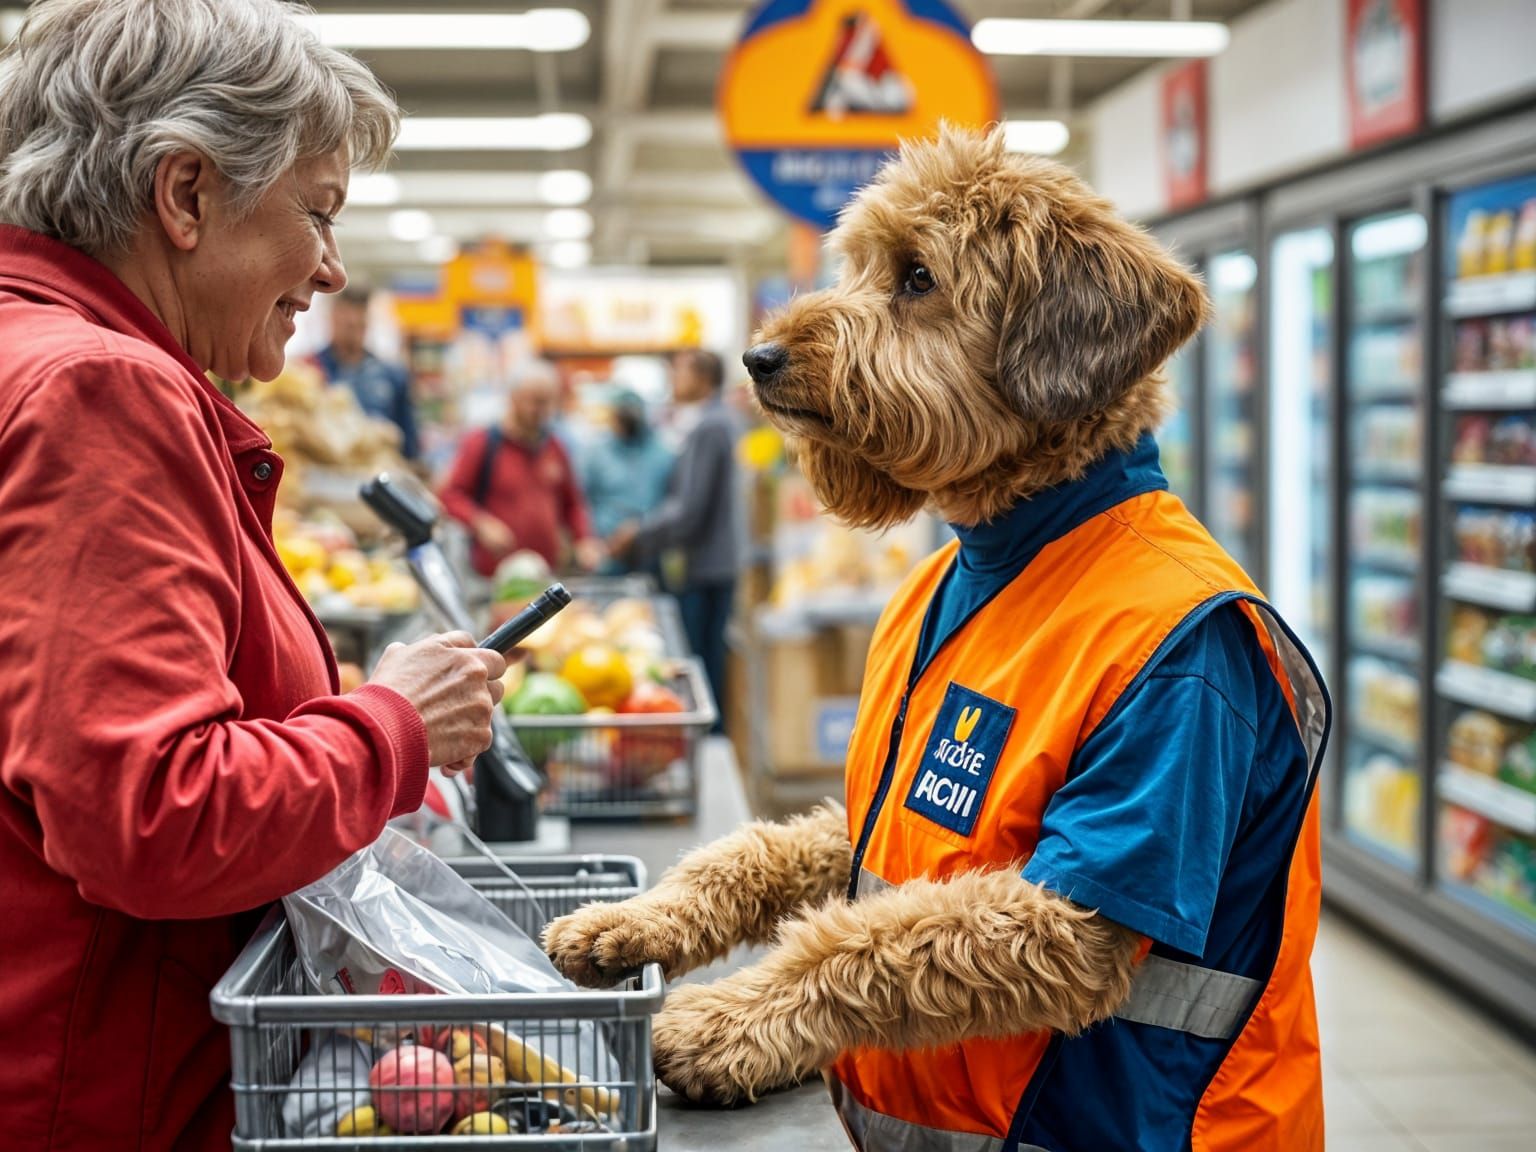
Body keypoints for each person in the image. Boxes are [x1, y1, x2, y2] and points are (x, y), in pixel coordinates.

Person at [0, 4, 506, 1150]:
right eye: (316, 211)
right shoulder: (97, 393)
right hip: (95, 1096)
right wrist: (391, 729)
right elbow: (152, 813)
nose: (331, 266)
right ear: (184, 195)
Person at [609, 349, 743, 729]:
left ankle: (707, 738)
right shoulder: (720, 420)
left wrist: (638, 532)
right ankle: (713, 735)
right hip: (718, 561)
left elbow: (688, 509)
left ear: (702, 378)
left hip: (702, 565)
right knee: (710, 656)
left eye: (680, 372)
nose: (673, 380)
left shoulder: (707, 426)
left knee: (699, 663)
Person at [439, 359, 604, 578]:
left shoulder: (555, 447)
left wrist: (584, 540)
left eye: (547, 403)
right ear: (513, 399)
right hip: (494, 576)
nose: (541, 411)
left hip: (544, 572)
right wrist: (481, 523)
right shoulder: (482, 443)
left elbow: (572, 503)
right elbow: (450, 495)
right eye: (534, 402)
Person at [313, 284, 420, 459]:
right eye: (346, 323)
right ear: (332, 318)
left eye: (359, 323)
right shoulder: (310, 370)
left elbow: (409, 444)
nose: (353, 327)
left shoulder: (392, 375)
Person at [580, 389, 676, 575]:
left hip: (649, 553)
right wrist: (590, 541)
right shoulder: (596, 453)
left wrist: (640, 529)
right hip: (606, 554)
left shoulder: (662, 453)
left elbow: (671, 502)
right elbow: (583, 501)